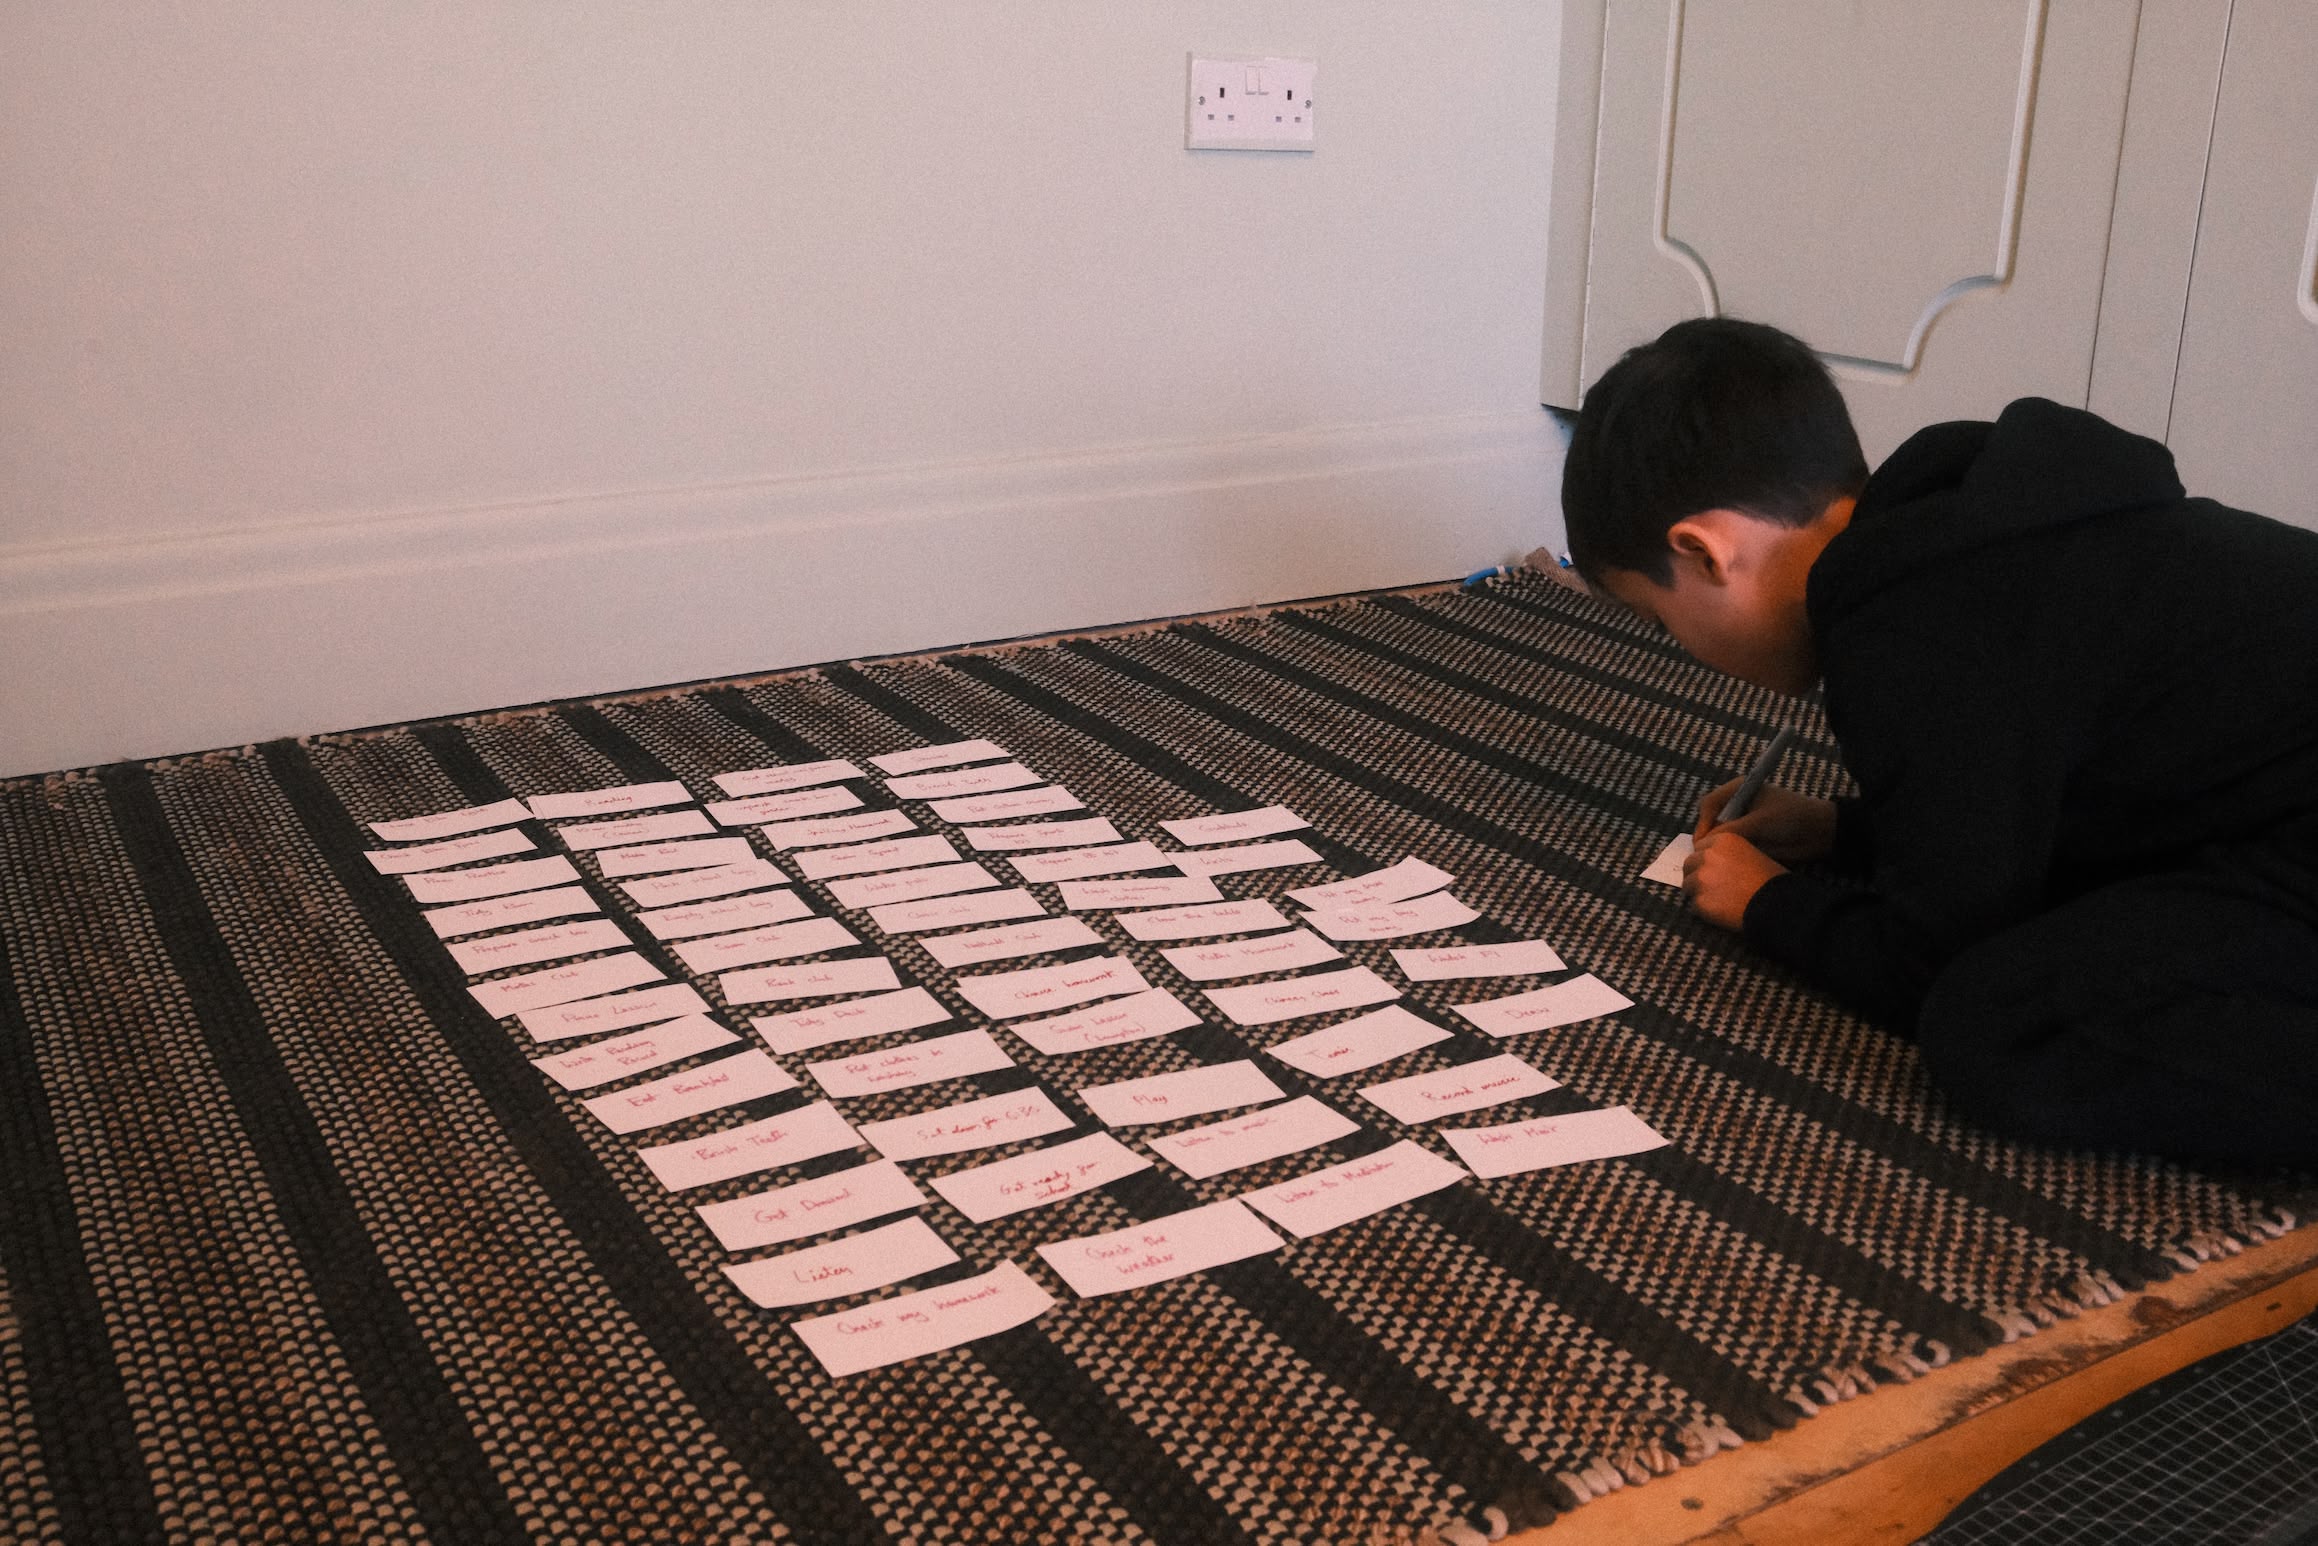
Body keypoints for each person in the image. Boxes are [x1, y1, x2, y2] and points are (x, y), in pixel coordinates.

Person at [1558, 316, 2318, 1169]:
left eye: (1659, 622)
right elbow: (2032, 795)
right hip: (2269, 795)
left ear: (1704, 553)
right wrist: (1846, 829)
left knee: (1993, 1021)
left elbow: (1933, 952)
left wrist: (1771, 906)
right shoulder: (1961, 532)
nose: (1677, 647)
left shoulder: (1912, 637)